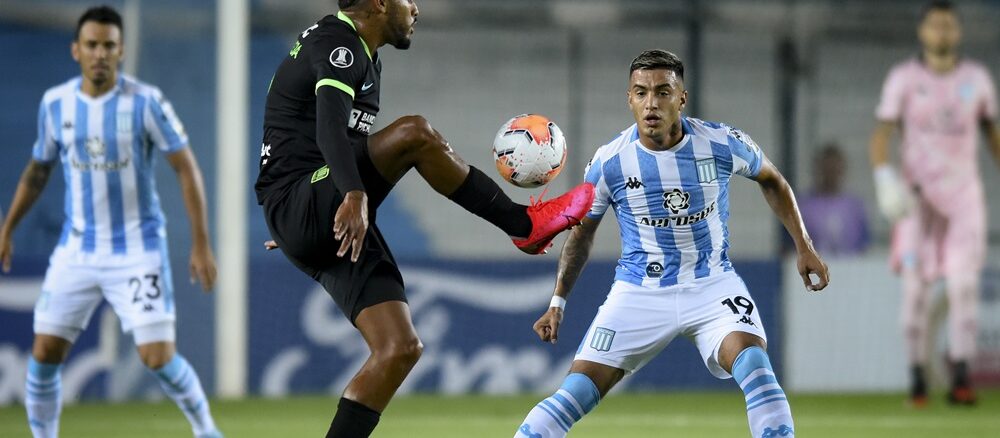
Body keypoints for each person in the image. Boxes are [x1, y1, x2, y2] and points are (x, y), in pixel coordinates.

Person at [255, 1, 595, 436]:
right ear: (379, 3)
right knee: (414, 134)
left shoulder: (361, 52)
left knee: (399, 348)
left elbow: (304, 140)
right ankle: (523, 225)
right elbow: (328, 129)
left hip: (319, 210)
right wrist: (343, 196)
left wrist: (311, 216)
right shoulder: (338, 44)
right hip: (306, 200)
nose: (415, 8)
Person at [513, 49, 829, 438]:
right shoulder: (609, 162)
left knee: (755, 367)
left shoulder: (721, 142)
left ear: (682, 98)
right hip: (639, 291)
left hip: (712, 284)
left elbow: (773, 180)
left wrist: (804, 245)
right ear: (629, 98)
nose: (651, 103)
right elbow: (583, 232)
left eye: (663, 92)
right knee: (575, 392)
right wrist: (557, 302)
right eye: (641, 92)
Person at [0, 6, 222, 438]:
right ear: (76, 50)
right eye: (92, 45)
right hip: (77, 248)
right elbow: (37, 170)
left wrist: (201, 242)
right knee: (44, 351)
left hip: (138, 248)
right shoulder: (56, 104)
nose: (99, 53)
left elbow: (186, 167)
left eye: (109, 46)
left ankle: (206, 430)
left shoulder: (145, 102)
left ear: (121, 52)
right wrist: (7, 228)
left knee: (157, 356)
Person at [869, 0, 999, 407]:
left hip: (964, 198)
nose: (942, 32)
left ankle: (961, 378)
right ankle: (918, 381)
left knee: (963, 288)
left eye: (948, 25)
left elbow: (992, 136)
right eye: (935, 25)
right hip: (917, 201)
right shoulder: (903, 79)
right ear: (923, 32)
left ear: (957, 32)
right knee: (915, 297)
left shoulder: (977, 79)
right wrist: (884, 176)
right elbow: (881, 135)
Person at [794, 144, 869, 256]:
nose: (830, 174)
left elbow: (864, 247)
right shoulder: (803, 206)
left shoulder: (854, 207)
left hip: (850, 268)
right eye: (827, 169)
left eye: (834, 169)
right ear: (818, 170)